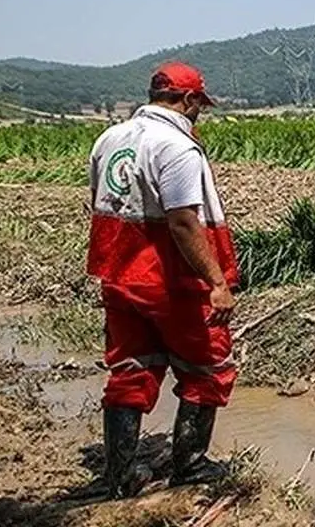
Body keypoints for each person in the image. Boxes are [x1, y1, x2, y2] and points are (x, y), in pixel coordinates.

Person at [87, 62, 239, 499]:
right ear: (189, 100)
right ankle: (189, 465)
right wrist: (217, 282)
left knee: (131, 368)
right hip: (170, 281)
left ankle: (119, 475)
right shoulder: (176, 147)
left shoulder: (109, 138)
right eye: (199, 106)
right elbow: (184, 222)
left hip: (119, 276)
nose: (199, 114)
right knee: (207, 367)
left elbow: (95, 203)